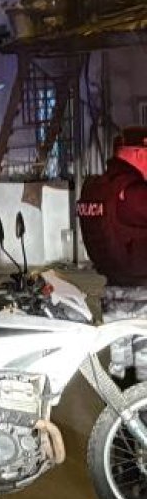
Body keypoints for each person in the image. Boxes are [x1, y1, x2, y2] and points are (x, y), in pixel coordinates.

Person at [78, 126, 147, 388]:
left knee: (122, 372)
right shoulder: (133, 193)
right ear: (138, 154)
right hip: (141, 297)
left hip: (114, 294)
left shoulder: (98, 188)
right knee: (143, 380)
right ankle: (136, 427)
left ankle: (120, 427)